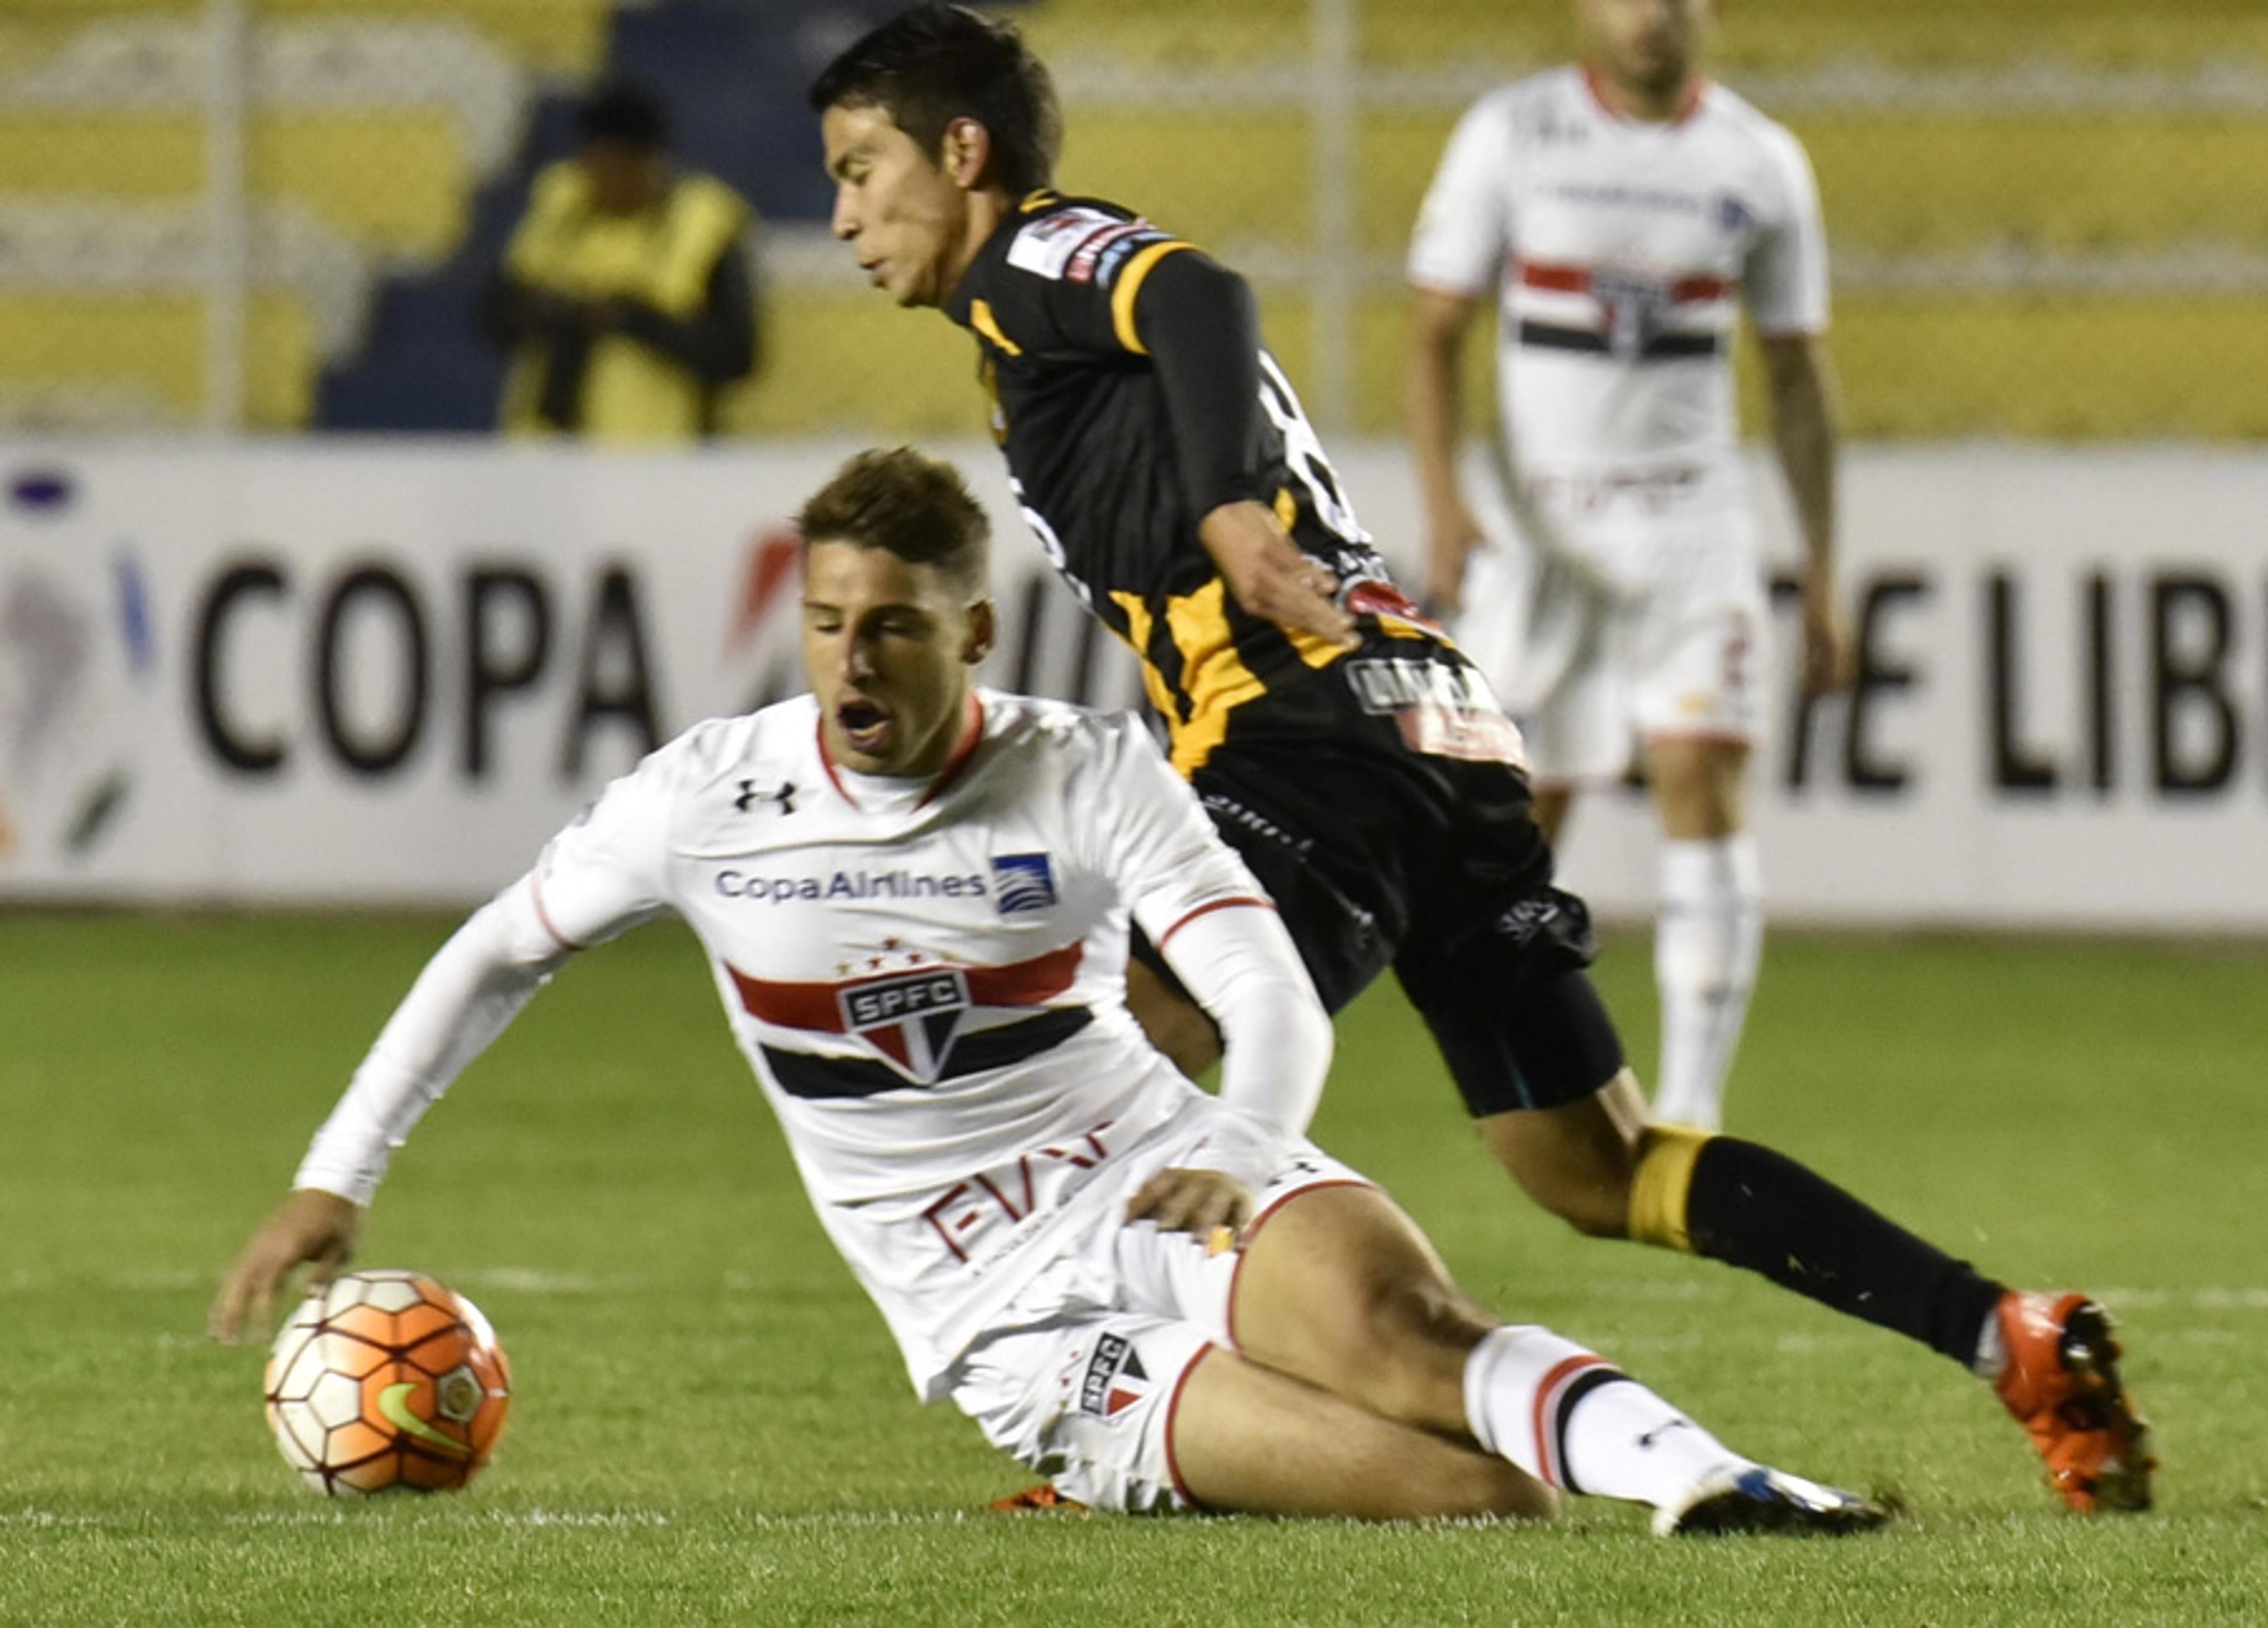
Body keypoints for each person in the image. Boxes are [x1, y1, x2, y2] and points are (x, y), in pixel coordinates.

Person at [806, 5, 2152, 1515]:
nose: (846, 214)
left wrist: (1236, 511)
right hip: (1426, 719)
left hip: (1303, 730)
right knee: (1599, 1163)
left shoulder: (1035, 257)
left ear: (964, 152)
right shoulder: (1021, 327)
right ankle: (2006, 1333)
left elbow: (1198, 293)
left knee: (1098, 1037)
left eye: (863, 169)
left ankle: (1142, 1415)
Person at [208, 447, 1884, 1533]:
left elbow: (1263, 984)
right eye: (827, 626)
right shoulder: (706, 798)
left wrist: (1248, 1140)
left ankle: (1720, 1485)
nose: (856, 664)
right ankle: (1157, 1460)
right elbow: (494, 948)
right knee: (1471, 1502)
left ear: (978, 631)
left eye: (897, 629)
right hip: (998, 1313)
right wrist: (330, 1177)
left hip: (1164, 1171)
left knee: (1406, 1330)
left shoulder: (1085, 773)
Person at [1405, 0, 1844, 1134]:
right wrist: (1447, 505)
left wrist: (1825, 564)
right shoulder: (1512, 135)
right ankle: (1533, 1093)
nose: (1651, 15)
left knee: (1701, 775)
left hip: (1693, 524)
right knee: (1513, 824)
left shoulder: (1758, 161)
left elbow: (1797, 373)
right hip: (1542, 532)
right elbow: (1432, 332)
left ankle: (1689, 1118)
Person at [485, 80, 760, 442]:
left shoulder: (704, 225)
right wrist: (564, 312)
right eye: (594, 165)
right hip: (546, 448)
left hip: (657, 454)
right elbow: (496, 316)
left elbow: (735, 354)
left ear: (649, 162)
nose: (604, 181)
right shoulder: (558, 209)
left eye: (618, 167)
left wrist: (635, 320)